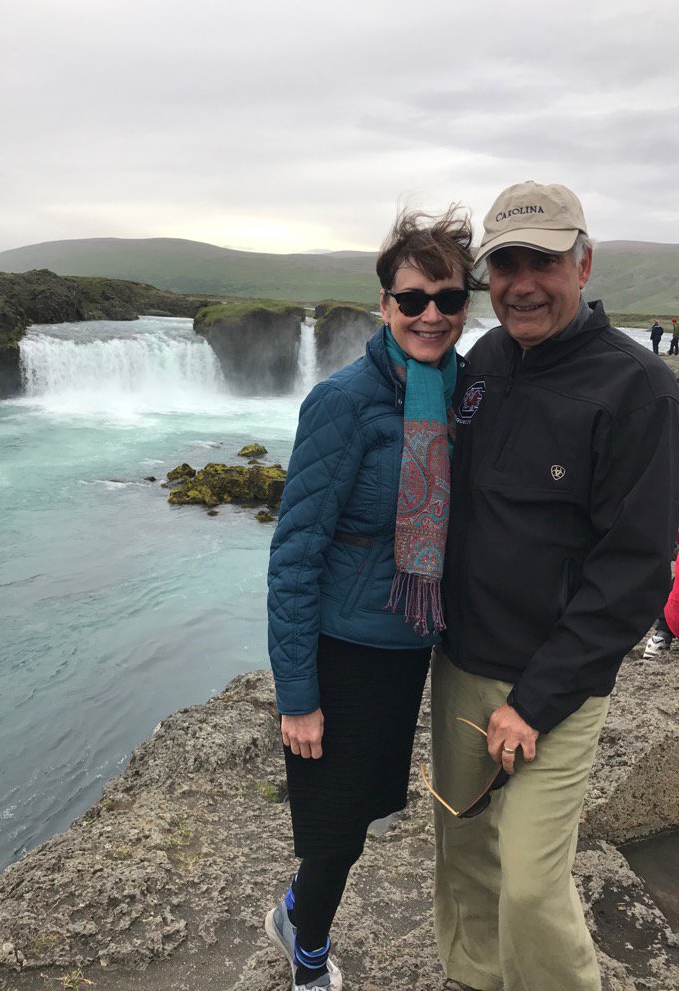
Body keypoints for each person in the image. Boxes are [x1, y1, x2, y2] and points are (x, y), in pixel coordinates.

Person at [430, 181, 679, 991]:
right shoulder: (485, 362)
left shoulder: (638, 388)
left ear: (584, 262)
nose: (523, 282)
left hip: (556, 685)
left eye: (544, 260)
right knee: (465, 855)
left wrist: (535, 701)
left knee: (533, 884)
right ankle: (473, 980)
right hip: (463, 664)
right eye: (506, 264)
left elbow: (635, 570)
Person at [265, 208, 486, 991]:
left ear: (467, 305)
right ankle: (308, 957)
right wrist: (297, 694)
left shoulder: (466, 397)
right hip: (342, 646)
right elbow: (294, 553)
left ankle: (297, 913)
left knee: (361, 814)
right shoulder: (344, 400)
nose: (432, 315)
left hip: (407, 646)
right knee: (334, 831)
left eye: (448, 299)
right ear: (384, 306)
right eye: (413, 298)